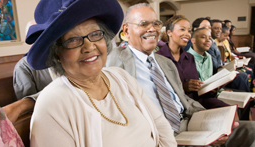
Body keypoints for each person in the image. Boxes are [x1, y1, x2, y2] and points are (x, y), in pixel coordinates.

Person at [28, 0, 177, 146]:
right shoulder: (52, 104)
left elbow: (160, 125)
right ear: (57, 53)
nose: (89, 47)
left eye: (95, 34)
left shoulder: (121, 77)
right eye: (73, 40)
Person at [106, 3, 255, 146]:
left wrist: (211, 122)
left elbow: (183, 98)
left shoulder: (166, 63)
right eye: (144, 24)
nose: (152, 29)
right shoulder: (114, 60)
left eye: (156, 23)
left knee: (252, 130)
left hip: (190, 121)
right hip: (160, 133)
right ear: (126, 30)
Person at [156, 15, 229, 109]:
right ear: (169, 32)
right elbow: (160, 92)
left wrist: (208, 90)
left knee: (229, 110)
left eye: (189, 31)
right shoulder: (158, 58)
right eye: (182, 29)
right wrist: (183, 88)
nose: (187, 34)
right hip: (175, 106)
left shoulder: (189, 57)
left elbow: (196, 91)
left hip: (195, 102)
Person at [215, 24, 254, 91]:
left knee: (250, 69)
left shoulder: (225, 42)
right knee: (246, 72)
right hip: (225, 66)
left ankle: (250, 89)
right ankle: (246, 91)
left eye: (228, 35)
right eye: (225, 36)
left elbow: (230, 54)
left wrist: (238, 59)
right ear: (219, 34)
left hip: (230, 63)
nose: (227, 37)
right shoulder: (215, 44)